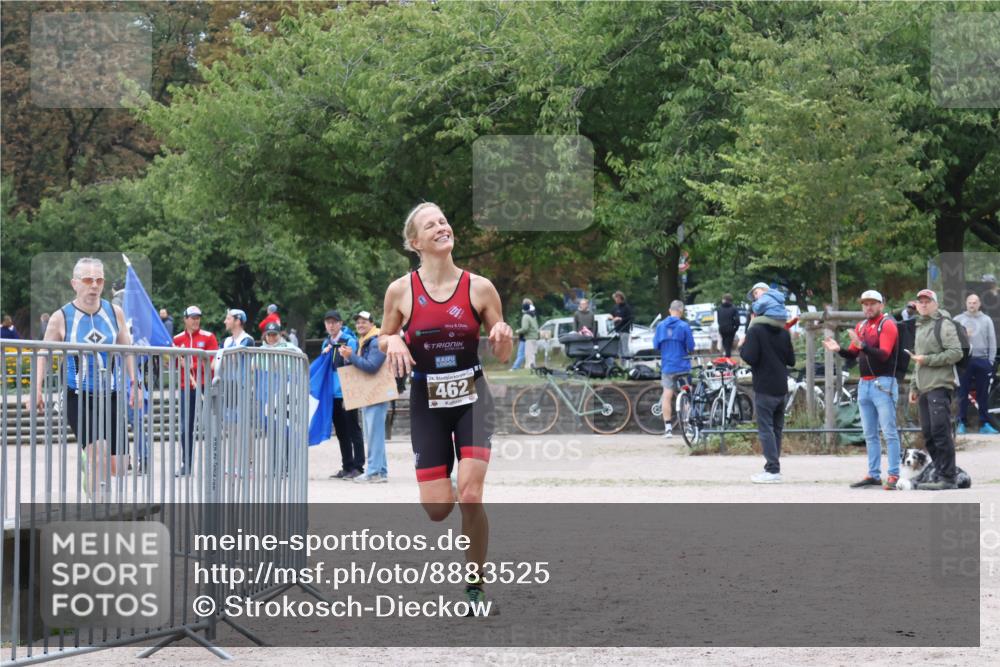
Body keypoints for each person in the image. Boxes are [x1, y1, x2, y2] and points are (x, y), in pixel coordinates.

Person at [379, 202, 512, 612]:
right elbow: (382, 338)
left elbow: (504, 354)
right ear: (415, 242)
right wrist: (395, 339)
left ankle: (475, 584)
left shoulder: (480, 288)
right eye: (429, 224)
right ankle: (447, 481)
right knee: (438, 509)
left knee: (471, 495)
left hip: (472, 397)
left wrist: (504, 336)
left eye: (443, 220)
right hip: (427, 401)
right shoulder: (401, 291)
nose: (441, 226)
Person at [34, 257, 139, 496]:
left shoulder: (115, 312)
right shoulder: (61, 317)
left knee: (119, 466)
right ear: (75, 283)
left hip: (110, 395)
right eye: (88, 280)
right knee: (98, 454)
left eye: (99, 280)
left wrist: (136, 384)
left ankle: (88, 460)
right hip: (78, 396)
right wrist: (36, 388)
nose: (94, 285)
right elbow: (43, 353)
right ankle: (99, 514)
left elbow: (129, 350)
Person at [823, 290, 902, 489]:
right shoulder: (862, 326)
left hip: (884, 383)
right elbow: (852, 353)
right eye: (865, 304)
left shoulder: (887, 324)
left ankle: (893, 475)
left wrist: (863, 345)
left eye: (872, 303)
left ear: (881, 305)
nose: (868, 307)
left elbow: (884, 354)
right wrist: (838, 349)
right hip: (865, 384)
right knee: (869, 433)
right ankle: (873, 474)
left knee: (889, 432)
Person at [909, 289, 964, 490]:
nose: (923, 304)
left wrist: (928, 360)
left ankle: (949, 479)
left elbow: (956, 352)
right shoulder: (920, 325)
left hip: (940, 385)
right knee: (929, 434)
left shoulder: (944, 324)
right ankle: (940, 473)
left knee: (941, 433)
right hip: (924, 387)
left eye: (927, 301)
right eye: (920, 301)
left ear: (935, 304)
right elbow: (918, 361)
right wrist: (914, 387)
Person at [740, 288, 795, 484]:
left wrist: (741, 345)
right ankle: (774, 467)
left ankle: (772, 470)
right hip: (781, 386)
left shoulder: (755, 331)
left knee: (765, 429)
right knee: (776, 429)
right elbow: (791, 360)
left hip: (764, 387)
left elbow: (750, 357)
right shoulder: (783, 332)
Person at [341, 310, 390, 483]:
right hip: (373, 393)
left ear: (372, 324)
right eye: (358, 322)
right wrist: (349, 357)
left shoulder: (375, 341)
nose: (360, 324)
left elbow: (371, 367)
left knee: (373, 435)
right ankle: (380, 471)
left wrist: (351, 356)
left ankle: (374, 472)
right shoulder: (367, 341)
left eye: (364, 322)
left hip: (375, 394)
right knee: (375, 434)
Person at [172, 306, 219, 476]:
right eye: (192, 317)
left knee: (212, 425)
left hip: (206, 386)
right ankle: (187, 464)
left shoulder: (208, 337)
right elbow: (171, 363)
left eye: (198, 317)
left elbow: (213, 361)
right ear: (185, 319)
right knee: (186, 427)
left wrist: (191, 365)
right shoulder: (176, 340)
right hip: (187, 388)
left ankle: (215, 465)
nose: (195, 320)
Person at [323, 310, 365, 480]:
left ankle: (359, 467)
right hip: (333, 395)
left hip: (348, 392)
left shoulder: (349, 341)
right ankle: (347, 466)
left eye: (334, 322)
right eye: (328, 322)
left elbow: (353, 365)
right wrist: (324, 353)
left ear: (340, 323)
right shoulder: (326, 343)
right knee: (341, 432)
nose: (331, 325)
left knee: (353, 430)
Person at [955, 293, 998, 434]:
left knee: (983, 393)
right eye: (969, 302)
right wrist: (963, 336)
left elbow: (992, 341)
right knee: (962, 393)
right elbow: (951, 341)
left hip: (982, 360)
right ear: (966, 303)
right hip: (964, 360)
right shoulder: (958, 320)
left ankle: (984, 424)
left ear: (979, 304)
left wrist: (990, 362)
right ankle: (961, 422)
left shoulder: (986, 320)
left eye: (975, 302)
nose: (972, 304)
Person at [653, 300, 695, 438]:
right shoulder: (684, 326)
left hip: (667, 366)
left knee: (667, 395)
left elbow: (655, 345)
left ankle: (668, 429)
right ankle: (688, 427)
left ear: (670, 310)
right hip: (682, 365)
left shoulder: (660, 326)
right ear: (681, 311)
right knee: (687, 395)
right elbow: (691, 346)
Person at [511, 299, 539, 370]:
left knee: (527, 354)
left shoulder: (526, 316)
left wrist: (517, 331)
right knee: (532, 354)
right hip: (534, 337)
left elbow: (525, 328)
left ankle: (527, 367)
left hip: (528, 338)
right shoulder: (533, 315)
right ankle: (532, 367)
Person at [610, 290, 634, 358]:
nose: (615, 300)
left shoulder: (627, 307)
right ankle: (621, 365)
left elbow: (630, 317)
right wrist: (611, 317)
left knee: (624, 349)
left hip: (624, 330)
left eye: (616, 298)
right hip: (617, 330)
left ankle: (626, 363)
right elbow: (612, 314)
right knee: (619, 350)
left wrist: (621, 319)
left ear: (620, 298)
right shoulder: (615, 307)